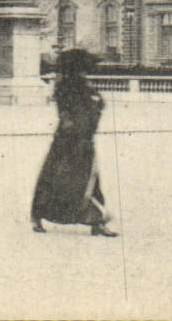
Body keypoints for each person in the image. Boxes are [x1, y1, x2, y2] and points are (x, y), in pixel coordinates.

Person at [30, 48, 118, 237]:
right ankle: (39, 215)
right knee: (57, 177)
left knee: (88, 180)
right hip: (68, 140)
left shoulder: (82, 85)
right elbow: (67, 113)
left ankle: (96, 221)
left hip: (83, 138)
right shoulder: (66, 86)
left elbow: (97, 104)